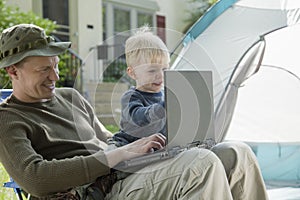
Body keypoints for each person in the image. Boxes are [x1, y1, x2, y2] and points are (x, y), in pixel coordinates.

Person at [0, 23, 269, 200]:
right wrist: (116, 155)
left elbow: (106, 139)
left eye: (56, 65)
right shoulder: (8, 118)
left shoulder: (70, 97)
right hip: (95, 192)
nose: (55, 76)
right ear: (13, 71)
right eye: (44, 69)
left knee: (236, 153)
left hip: (122, 175)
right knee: (199, 165)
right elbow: (35, 178)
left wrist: (145, 146)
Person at [108, 26, 168, 147]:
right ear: (132, 73)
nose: (160, 75)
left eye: (164, 69)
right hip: (127, 144)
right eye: (152, 70)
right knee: (113, 151)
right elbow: (138, 118)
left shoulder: (164, 95)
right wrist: (162, 108)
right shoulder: (131, 97)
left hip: (153, 147)